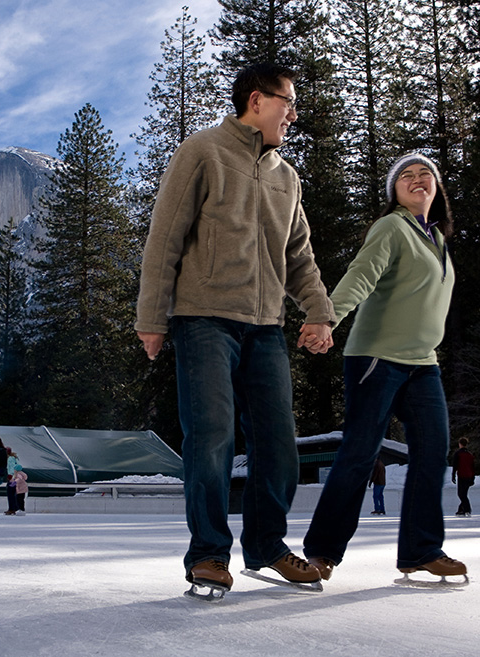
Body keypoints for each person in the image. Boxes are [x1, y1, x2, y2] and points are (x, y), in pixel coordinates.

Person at [135, 63, 336, 596]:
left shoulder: (285, 178)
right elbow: (165, 239)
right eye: (288, 102)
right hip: (203, 321)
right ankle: (207, 554)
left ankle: (268, 546)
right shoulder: (202, 151)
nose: (293, 114)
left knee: (278, 443)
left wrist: (319, 310)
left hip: (266, 326)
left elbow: (300, 257)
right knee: (213, 437)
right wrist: (152, 318)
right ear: (256, 100)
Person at [302, 153, 467, 584]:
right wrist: (327, 317)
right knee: (359, 453)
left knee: (433, 452)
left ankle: (421, 550)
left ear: (436, 188)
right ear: (394, 191)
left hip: (422, 363)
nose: (416, 179)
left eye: (424, 174)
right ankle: (321, 552)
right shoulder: (392, 227)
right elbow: (362, 274)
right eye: (406, 176)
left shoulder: (438, 240)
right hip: (377, 357)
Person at [452, 437, 475, 516]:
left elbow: (455, 465)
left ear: (460, 444)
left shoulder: (458, 453)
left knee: (461, 494)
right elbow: (473, 466)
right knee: (464, 494)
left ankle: (467, 509)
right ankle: (461, 509)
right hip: (468, 475)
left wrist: (453, 475)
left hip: (462, 475)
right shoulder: (469, 454)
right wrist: (473, 478)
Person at [4, 448, 21, 515]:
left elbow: (12, 467)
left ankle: (12, 509)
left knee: (10, 492)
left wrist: (11, 475)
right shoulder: (15, 458)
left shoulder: (10, 459)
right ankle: (15, 507)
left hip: (13, 477)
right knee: (13, 493)